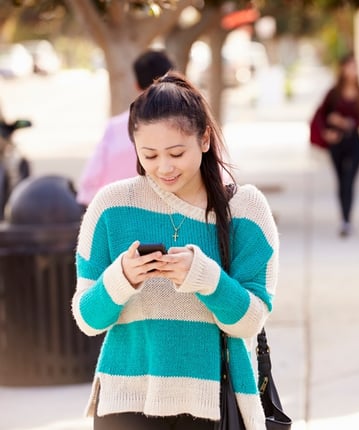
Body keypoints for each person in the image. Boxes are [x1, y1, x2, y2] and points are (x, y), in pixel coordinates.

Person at [71, 72, 279, 430]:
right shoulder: (110, 207)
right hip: (126, 401)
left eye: (176, 153)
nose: (163, 168)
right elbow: (87, 319)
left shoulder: (245, 209)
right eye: (149, 155)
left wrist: (204, 277)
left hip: (212, 403)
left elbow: (250, 320)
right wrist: (121, 278)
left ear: (204, 139)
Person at [76, 49, 174, 207]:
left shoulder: (115, 127)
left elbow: (88, 186)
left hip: (117, 214)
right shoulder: (188, 125)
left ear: (136, 85)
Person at [316, 52, 359, 237]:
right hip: (337, 144)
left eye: (354, 66)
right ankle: (344, 219)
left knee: (350, 180)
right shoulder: (333, 93)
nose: (351, 70)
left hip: (354, 142)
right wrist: (328, 130)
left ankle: (348, 219)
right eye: (348, 66)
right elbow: (321, 116)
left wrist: (348, 123)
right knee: (341, 181)